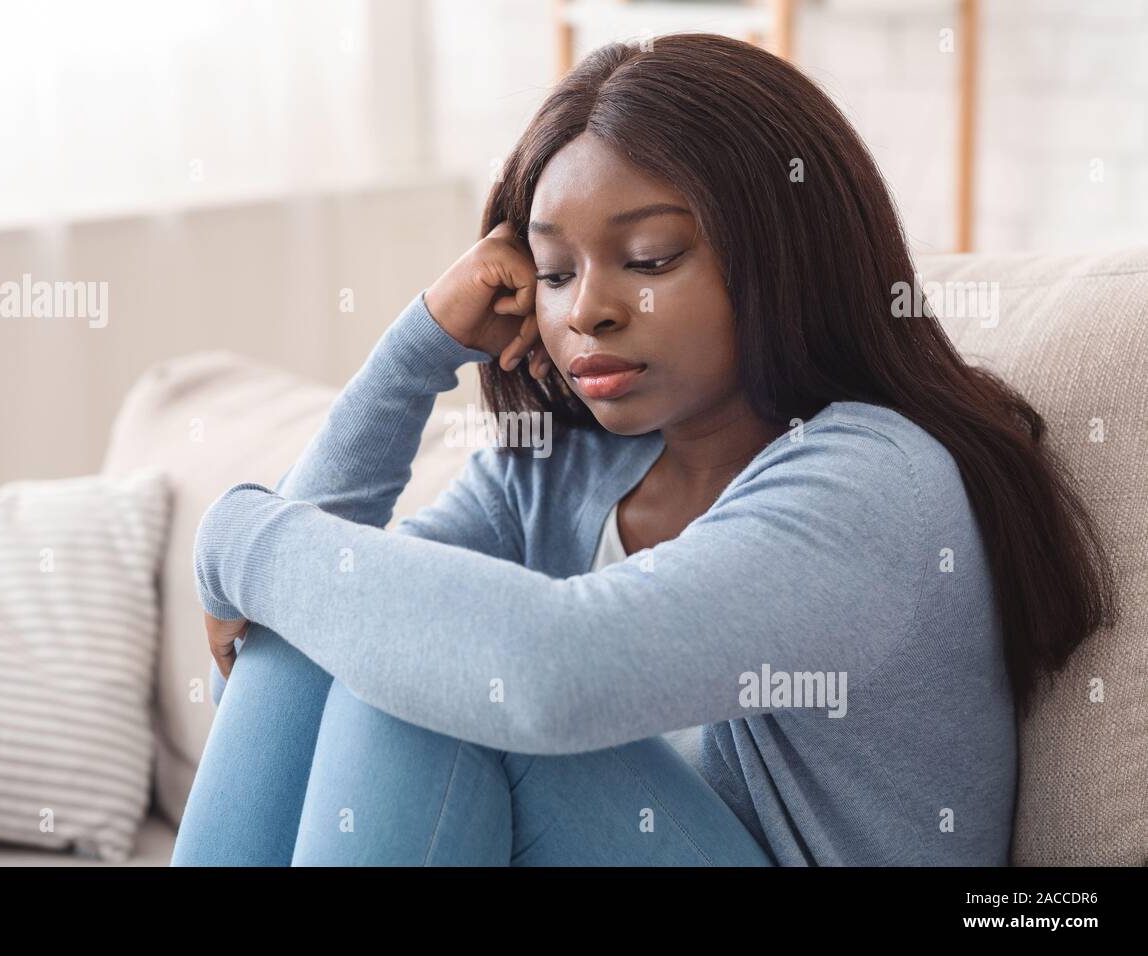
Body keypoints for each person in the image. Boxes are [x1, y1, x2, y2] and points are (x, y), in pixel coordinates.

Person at [170, 33, 1116, 867]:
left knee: (434, 672)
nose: (588, 309)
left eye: (652, 258)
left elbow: (549, 673)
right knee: (348, 625)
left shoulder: (874, 480)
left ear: (785, 251)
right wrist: (417, 349)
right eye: (552, 271)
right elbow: (312, 604)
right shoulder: (555, 479)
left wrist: (240, 540)